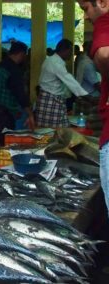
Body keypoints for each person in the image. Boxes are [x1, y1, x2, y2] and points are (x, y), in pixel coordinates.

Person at [77, 0, 109, 219]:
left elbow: (104, 54)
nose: (86, 17)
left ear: (103, 2)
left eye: (86, 8)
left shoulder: (105, 20)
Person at [0, 41, 35, 155]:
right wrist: (29, 113)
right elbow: (20, 95)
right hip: (2, 112)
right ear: (22, 54)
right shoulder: (14, 70)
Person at [35, 39, 89, 128]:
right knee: (54, 131)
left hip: (52, 99)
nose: (71, 54)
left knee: (58, 129)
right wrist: (87, 96)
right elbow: (69, 80)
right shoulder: (55, 63)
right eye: (70, 51)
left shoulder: (53, 60)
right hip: (50, 101)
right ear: (65, 50)